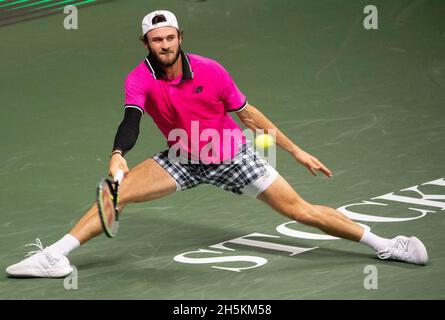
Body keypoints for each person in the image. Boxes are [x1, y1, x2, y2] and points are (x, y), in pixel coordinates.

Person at [6, 10, 428, 278]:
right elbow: (130, 120)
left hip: (234, 156)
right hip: (183, 158)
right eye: (157, 40)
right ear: (146, 44)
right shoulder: (139, 78)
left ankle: (385, 245)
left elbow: (249, 115)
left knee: (301, 211)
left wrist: (296, 151)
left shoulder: (211, 70)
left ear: (179, 37)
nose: (165, 45)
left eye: (170, 38)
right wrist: (118, 155)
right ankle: (56, 257)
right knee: (117, 193)